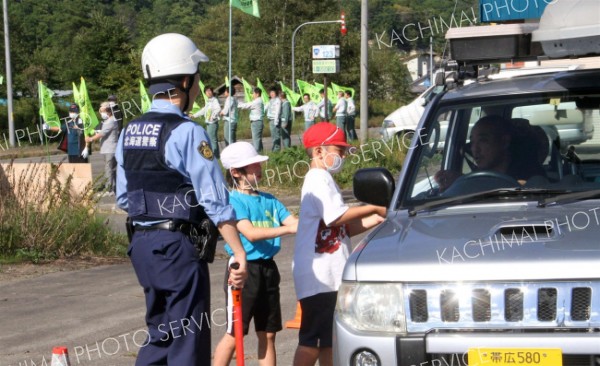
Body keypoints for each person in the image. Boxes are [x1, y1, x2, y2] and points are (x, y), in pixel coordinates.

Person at [114, 33, 247, 366]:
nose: (200, 84)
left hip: (142, 246)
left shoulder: (130, 131)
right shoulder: (187, 132)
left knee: (160, 337)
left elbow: (123, 196)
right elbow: (214, 200)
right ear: (185, 80)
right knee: (187, 339)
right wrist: (238, 251)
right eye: (198, 77)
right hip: (177, 247)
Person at [292, 122, 386, 366]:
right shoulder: (317, 178)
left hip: (329, 277)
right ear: (318, 152)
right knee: (312, 340)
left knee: (329, 341)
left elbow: (342, 227)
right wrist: (374, 206)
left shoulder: (324, 180)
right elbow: (336, 216)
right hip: (320, 278)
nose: (343, 156)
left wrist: (375, 219)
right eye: (339, 150)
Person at [214, 141, 299, 366]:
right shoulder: (233, 201)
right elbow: (250, 233)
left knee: (268, 333)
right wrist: (289, 228)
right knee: (235, 333)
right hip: (243, 270)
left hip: (268, 269)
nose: (259, 169)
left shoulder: (270, 199)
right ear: (235, 172)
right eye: (252, 166)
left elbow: (294, 222)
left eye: (258, 164)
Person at [434, 115, 546, 191]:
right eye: (472, 142)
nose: (475, 149)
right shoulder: (476, 176)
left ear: (504, 142)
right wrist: (461, 181)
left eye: (483, 140)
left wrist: (464, 183)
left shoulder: (532, 176)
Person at [85, 101, 119, 194]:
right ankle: (113, 187)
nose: (101, 114)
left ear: (108, 111)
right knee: (110, 169)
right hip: (107, 148)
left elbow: (102, 133)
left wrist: (91, 139)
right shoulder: (108, 121)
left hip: (110, 149)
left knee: (109, 169)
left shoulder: (111, 121)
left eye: (102, 111)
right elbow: (102, 132)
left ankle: (110, 189)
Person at [191, 86, 222, 158]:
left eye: (209, 91)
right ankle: (215, 155)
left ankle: (216, 156)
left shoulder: (214, 100)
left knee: (212, 140)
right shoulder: (208, 101)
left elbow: (218, 109)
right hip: (209, 123)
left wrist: (213, 117)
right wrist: (194, 115)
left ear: (212, 91)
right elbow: (203, 110)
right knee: (210, 139)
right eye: (206, 91)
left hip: (212, 123)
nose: (208, 92)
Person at [239, 88, 265, 152]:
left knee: (256, 140)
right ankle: (261, 154)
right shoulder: (258, 101)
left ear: (257, 94)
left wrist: (237, 104)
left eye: (253, 93)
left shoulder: (257, 101)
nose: (252, 95)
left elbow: (246, 105)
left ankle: (257, 155)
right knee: (258, 140)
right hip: (257, 122)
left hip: (256, 122)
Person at [265, 87, 282, 152]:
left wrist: (276, 120)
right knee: (273, 135)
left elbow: (277, 111)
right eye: (270, 92)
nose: (271, 94)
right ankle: (275, 148)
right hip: (270, 119)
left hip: (275, 120)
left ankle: (277, 150)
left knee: (276, 135)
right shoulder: (270, 100)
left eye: (273, 92)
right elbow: (265, 107)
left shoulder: (277, 100)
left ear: (276, 93)